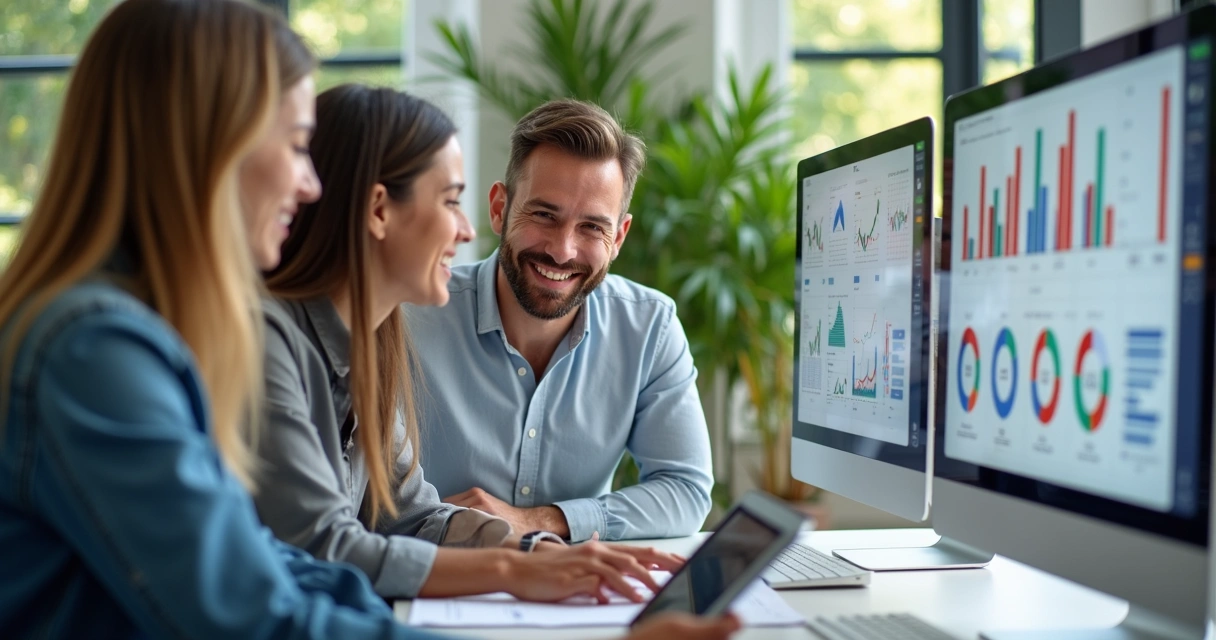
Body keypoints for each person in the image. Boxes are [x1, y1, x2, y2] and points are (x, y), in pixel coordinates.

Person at [0, 2, 736, 639]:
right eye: (293, 144)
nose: (311, 182)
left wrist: (525, 561)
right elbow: (256, 608)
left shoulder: (135, 333)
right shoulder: (96, 350)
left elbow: (282, 560)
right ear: (206, 143)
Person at [255, 83, 686, 602]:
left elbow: (410, 512)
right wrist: (510, 572)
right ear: (378, 211)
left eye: (591, 226)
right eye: (450, 201)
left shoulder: (374, 340)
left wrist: (539, 550)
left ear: (618, 236)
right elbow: (321, 545)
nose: (464, 231)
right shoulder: (270, 341)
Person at [407, 99, 714, 542]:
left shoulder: (650, 327)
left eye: (592, 227)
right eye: (544, 215)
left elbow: (684, 493)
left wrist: (540, 521)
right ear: (499, 208)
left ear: (619, 238)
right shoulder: (408, 317)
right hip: (437, 587)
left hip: (575, 593)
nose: (562, 250)